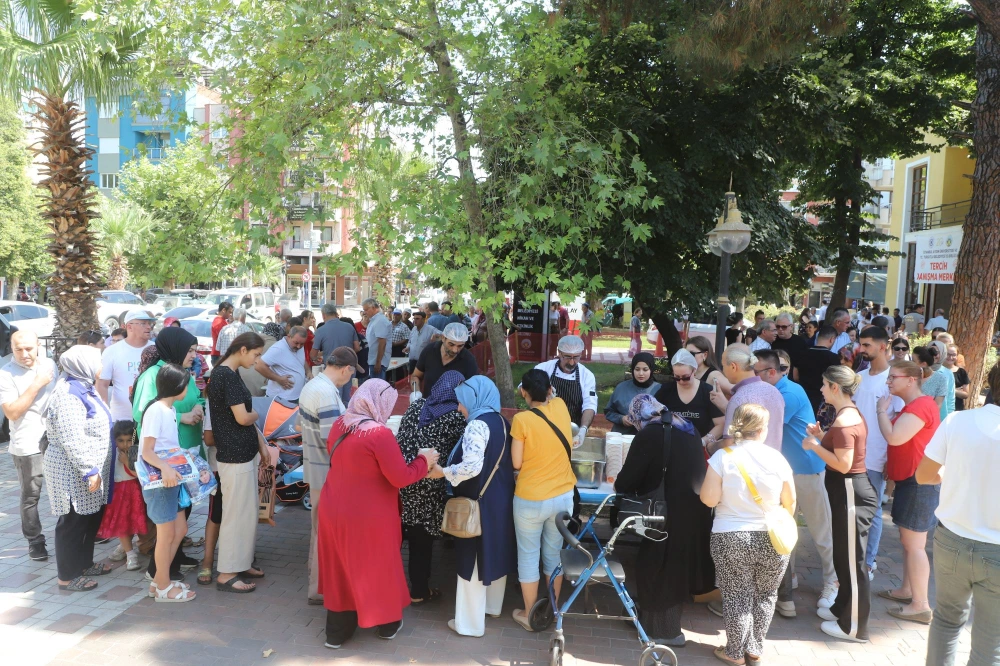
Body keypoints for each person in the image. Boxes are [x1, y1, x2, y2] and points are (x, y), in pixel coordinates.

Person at [317, 380, 440, 648]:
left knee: (341, 566)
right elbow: (400, 477)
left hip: (333, 506)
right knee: (379, 566)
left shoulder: (340, 424)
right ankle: (386, 625)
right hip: (368, 514)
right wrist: (424, 461)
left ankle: (337, 633)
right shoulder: (379, 434)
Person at [614, 395, 715, 647]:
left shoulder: (651, 433)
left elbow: (627, 480)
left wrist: (618, 484)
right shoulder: (686, 426)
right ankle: (652, 622)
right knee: (672, 568)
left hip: (667, 512)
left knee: (658, 569)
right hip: (694, 509)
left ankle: (664, 632)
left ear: (638, 415)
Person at [917, 362, 1000, 665]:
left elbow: (924, 475)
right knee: (990, 643)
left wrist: (951, 475)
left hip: (952, 538)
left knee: (946, 621)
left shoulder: (957, 421)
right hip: (995, 548)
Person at [700, 404, 795, 665]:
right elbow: (790, 502)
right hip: (772, 536)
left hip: (731, 534)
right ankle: (754, 649)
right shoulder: (778, 459)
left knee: (736, 595)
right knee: (766, 594)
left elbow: (708, 499)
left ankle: (734, 652)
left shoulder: (722, 457)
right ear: (763, 429)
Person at [424, 375, 516, 637]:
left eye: (462, 401)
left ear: (475, 398)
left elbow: (472, 467)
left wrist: (443, 472)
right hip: (499, 499)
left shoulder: (477, 425)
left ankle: (469, 624)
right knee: (494, 551)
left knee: (472, 560)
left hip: (478, 501)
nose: (459, 407)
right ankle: (492, 607)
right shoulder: (501, 421)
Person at [752, 350, 838, 618]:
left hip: (807, 471)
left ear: (772, 373)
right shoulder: (776, 390)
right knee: (786, 529)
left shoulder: (787, 394)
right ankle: (789, 580)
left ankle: (833, 582)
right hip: (785, 473)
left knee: (821, 530)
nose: (753, 377)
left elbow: (762, 426)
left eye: (756, 372)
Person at [800, 366, 877, 642]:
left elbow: (844, 464)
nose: (821, 389)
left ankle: (854, 628)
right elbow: (843, 450)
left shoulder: (845, 420)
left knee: (853, 562)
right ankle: (841, 608)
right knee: (844, 557)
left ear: (835, 387)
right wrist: (822, 437)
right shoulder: (846, 414)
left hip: (850, 492)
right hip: (847, 492)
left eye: (824, 384)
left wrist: (814, 445)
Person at [131, 326, 204, 579]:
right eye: (190, 350)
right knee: (168, 526)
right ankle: (161, 575)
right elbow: (142, 413)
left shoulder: (182, 373)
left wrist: (199, 408)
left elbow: (195, 397)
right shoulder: (155, 375)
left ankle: (171, 564)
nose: (194, 355)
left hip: (182, 458)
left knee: (180, 522)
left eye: (194, 350)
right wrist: (183, 416)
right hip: (163, 465)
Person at [508, 370, 577, 632]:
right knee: (553, 555)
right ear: (549, 390)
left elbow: (516, 462)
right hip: (562, 498)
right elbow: (552, 395)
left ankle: (529, 614)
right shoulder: (560, 406)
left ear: (523, 392)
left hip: (530, 498)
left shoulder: (521, 420)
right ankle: (553, 611)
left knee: (528, 556)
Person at [875, 360, 941, 625]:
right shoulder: (914, 405)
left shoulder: (921, 405)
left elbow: (895, 437)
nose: (888, 382)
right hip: (913, 480)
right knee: (909, 542)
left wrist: (881, 411)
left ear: (912, 380)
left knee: (915, 545)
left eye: (894, 377)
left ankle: (921, 605)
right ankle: (907, 591)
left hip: (919, 482)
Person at [43, 345, 114, 592]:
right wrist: (89, 470)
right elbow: (71, 437)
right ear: (84, 364)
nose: (102, 366)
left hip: (86, 468)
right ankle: (67, 576)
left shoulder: (84, 387)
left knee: (89, 518)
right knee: (73, 522)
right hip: (72, 470)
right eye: (98, 361)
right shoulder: (68, 394)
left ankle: (84, 564)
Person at [395, 370, 468, 606]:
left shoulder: (416, 406)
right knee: (421, 539)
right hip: (430, 481)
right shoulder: (455, 416)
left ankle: (391, 586)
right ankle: (419, 590)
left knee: (400, 534)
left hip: (405, 477)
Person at [297, 347, 360, 604]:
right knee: (326, 533)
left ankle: (318, 585)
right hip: (326, 472)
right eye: (352, 373)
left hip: (316, 468)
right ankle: (320, 588)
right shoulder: (325, 393)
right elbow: (333, 440)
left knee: (319, 530)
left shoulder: (314, 385)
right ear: (346, 370)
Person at [208, 331, 269, 593]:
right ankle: (227, 573)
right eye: (256, 355)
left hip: (240, 454)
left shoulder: (228, 373)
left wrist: (259, 441)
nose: (257, 361)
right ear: (243, 350)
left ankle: (240, 563)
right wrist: (257, 414)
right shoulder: (226, 375)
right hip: (235, 456)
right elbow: (243, 417)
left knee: (245, 513)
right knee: (236, 515)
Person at [138, 363, 198, 603]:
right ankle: (163, 586)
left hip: (171, 478)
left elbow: (165, 446)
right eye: (187, 384)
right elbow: (147, 451)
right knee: (166, 534)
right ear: (178, 386)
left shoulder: (169, 409)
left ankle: (159, 581)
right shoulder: (157, 410)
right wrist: (165, 467)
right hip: (160, 481)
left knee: (179, 530)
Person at [0, 331, 57, 561]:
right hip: (28, 442)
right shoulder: (6, 374)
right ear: (11, 348)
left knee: (66, 488)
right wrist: (36, 384)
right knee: (31, 496)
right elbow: (12, 412)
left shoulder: (49, 364)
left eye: (29, 348)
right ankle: (35, 541)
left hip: (55, 439)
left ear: (38, 346)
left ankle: (75, 533)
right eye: (18, 349)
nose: (24, 354)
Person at [854, 326, 904, 581]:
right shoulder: (858, 377)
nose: (861, 349)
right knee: (852, 510)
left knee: (872, 512)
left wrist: (890, 458)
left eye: (867, 345)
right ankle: (853, 559)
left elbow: (900, 422)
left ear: (883, 346)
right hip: (852, 455)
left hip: (877, 456)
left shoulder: (892, 380)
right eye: (861, 344)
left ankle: (868, 562)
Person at [707, 344, 784, 454]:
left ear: (733, 367)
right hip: (772, 461)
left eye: (723, 365)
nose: (722, 370)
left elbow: (729, 443)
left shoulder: (739, 398)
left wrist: (710, 446)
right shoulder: (774, 391)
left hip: (746, 463)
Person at [534, 335, 597, 447]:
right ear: (559, 352)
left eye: (576, 357)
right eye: (567, 357)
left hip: (572, 431)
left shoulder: (587, 375)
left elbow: (590, 405)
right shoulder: (543, 368)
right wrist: (541, 390)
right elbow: (522, 390)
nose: (572, 362)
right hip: (543, 427)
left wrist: (583, 429)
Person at [655, 349, 723, 444]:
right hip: (672, 444)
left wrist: (702, 442)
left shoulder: (707, 391)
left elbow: (721, 424)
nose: (681, 381)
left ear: (694, 370)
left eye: (686, 377)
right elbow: (652, 416)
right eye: (676, 377)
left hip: (699, 445)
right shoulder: (666, 390)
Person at [97, 311, 155, 422]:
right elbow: (102, 384)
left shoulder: (156, 349)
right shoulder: (112, 351)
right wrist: (104, 414)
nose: (148, 327)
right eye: (143, 323)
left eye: (149, 323)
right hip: (121, 419)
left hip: (151, 419)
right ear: (129, 327)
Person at [312, 304, 362, 404]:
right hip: (349, 367)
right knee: (348, 400)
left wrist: (316, 358)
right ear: (336, 314)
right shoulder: (349, 327)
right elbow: (357, 348)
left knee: (334, 400)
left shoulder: (321, 330)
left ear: (323, 315)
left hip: (333, 370)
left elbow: (313, 354)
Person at [412, 323, 478, 396]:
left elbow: (473, 389)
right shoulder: (429, 351)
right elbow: (416, 376)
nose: (455, 350)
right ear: (443, 338)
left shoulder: (469, 360)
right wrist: (416, 394)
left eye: (460, 346)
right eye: (451, 344)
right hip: (428, 401)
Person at [603, 352, 662, 434]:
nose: (641, 373)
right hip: (623, 436)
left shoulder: (660, 390)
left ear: (651, 370)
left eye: (645, 370)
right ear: (632, 369)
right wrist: (621, 419)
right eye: (637, 369)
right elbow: (609, 411)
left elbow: (668, 416)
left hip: (650, 436)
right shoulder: (621, 388)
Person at [793, 326, 841, 414]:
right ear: (832, 339)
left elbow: (795, 376)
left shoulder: (801, 354)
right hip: (823, 402)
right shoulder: (834, 358)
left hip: (802, 398)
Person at [255, 325, 308, 402]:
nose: (298, 346)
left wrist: (308, 372)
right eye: (296, 343)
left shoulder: (299, 346)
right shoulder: (278, 349)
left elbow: (301, 359)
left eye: (302, 344)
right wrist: (278, 379)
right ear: (289, 336)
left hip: (295, 396)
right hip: (281, 398)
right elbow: (259, 366)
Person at [914, 344, 955, 421]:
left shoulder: (940, 379)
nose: (910, 363)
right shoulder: (910, 377)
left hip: (929, 420)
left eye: (913, 361)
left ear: (923, 364)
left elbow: (938, 405)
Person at [360, 298, 392, 381]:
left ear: (373, 308)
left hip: (377, 362)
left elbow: (382, 342)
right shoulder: (374, 320)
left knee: (377, 386)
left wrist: (378, 362)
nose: (364, 312)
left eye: (366, 310)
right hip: (373, 360)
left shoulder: (380, 321)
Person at [404, 309, 440, 375]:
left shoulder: (430, 329)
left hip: (424, 362)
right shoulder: (414, 329)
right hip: (412, 361)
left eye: (417, 319)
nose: (415, 320)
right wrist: (407, 347)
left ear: (423, 319)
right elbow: (410, 341)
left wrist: (436, 336)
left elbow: (443, 335)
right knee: (412, 378)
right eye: (414, 318)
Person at [944, 345, 970, 410]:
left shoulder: (961, 372)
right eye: (948, 354)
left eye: (954, 355)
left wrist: (951, 390)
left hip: (957, 408)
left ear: (957, 356)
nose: (950, 357)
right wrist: (957, 391)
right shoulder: (937, 370)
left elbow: (966, 394)